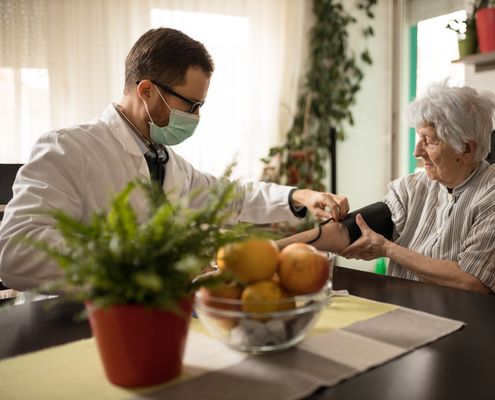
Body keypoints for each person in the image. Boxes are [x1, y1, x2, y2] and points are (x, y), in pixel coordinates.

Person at [0, 28, 348, 290]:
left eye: (200, 106)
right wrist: (144, 259)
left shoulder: (166, 162)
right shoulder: (68, 149)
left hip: (157, 313)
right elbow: (15, 250)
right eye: (191, 105)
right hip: (74, 322)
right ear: (147, 91)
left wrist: (299, 196)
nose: (196, 116)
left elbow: (232, 196)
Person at [278, 83, 495, 300]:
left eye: (430, 141)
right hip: (410, 313)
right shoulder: (413, 187)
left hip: (481, 328)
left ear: (466, 149)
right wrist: (274, 250)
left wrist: (388, 249)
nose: (417, 152)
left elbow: (472, 281)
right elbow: (346, 231)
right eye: (418, 138)